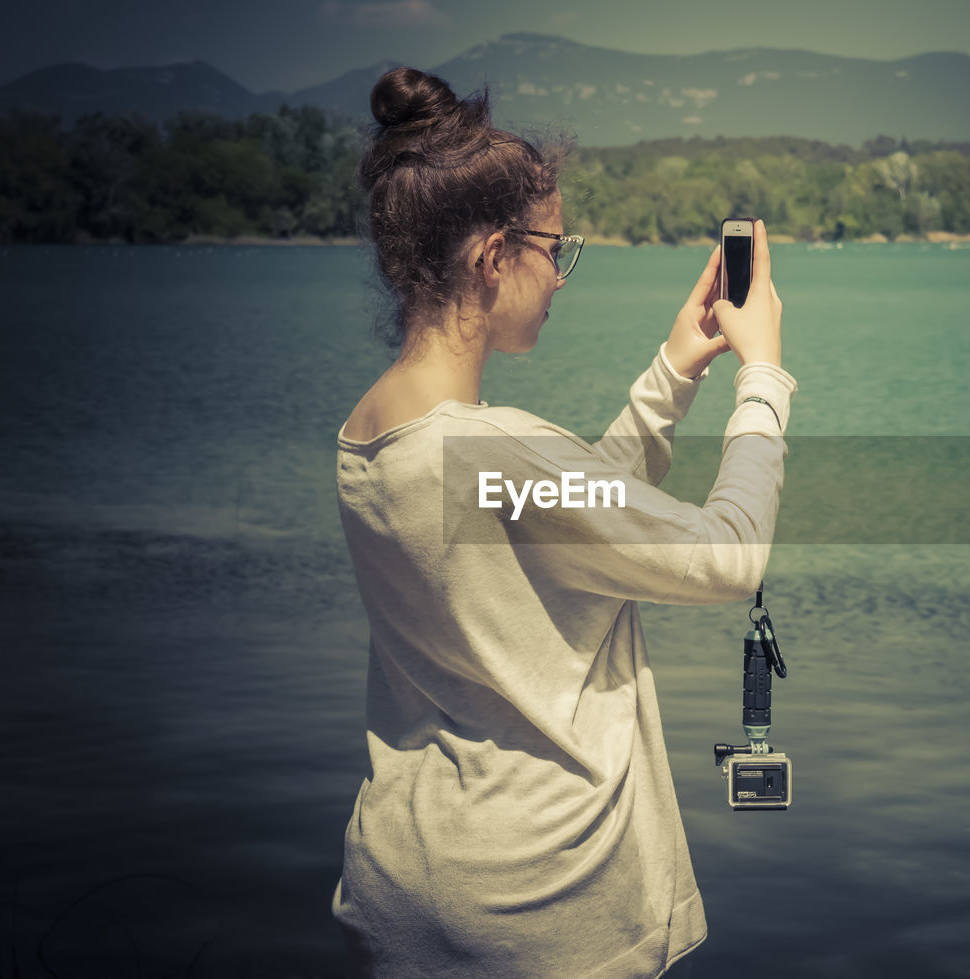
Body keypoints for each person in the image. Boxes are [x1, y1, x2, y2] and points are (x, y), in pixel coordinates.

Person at [332, 66, 796, 978]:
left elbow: (563, 521)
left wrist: (673, 373)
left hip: (407, 879)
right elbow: (726, 556)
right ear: (493, 256)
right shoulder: (495, 454)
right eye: (557, 248)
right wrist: (764, 377)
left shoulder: (371, 436)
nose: (562, 275)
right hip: (543, 903)